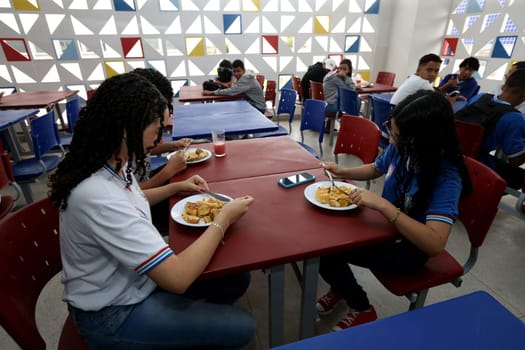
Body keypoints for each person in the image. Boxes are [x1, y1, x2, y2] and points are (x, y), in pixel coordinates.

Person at [48, 72, 255, 350]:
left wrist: (176, 187)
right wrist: (224, 217)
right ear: (126, 128)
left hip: (138, 280)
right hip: (113, 313)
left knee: (235, 279)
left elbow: (132, 199)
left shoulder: (112, 164)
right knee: (243, 327)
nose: (159, 137)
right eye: (157, 127)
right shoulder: (96, 193)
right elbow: (178, 279)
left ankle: (186, 329)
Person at [316, 90, 472, 331]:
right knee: (325, 238)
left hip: (409, 249)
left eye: (397, 136)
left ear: (424, 140)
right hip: (384, 229)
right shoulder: (404, 147)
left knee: (326, 252)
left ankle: (363, 307)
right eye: (391, 130)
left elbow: (434, 244)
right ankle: (341, 287)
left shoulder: (446, 177)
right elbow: (376, 168)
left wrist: (384, 206)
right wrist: (342, 171)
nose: (391, 140)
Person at [456, 69, 525, 192]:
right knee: (519, 175)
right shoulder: (514, 118)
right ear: (523, 95)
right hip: (476, 166)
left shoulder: (479, 97)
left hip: (453, 155)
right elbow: (515, 160)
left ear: (504, 86)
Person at [130, 68, 192, 189]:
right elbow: (133, 199)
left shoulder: (137, 137)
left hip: (146, 179)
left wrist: (174, 145)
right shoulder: (114, 157)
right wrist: (168, 172)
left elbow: (148, 148)